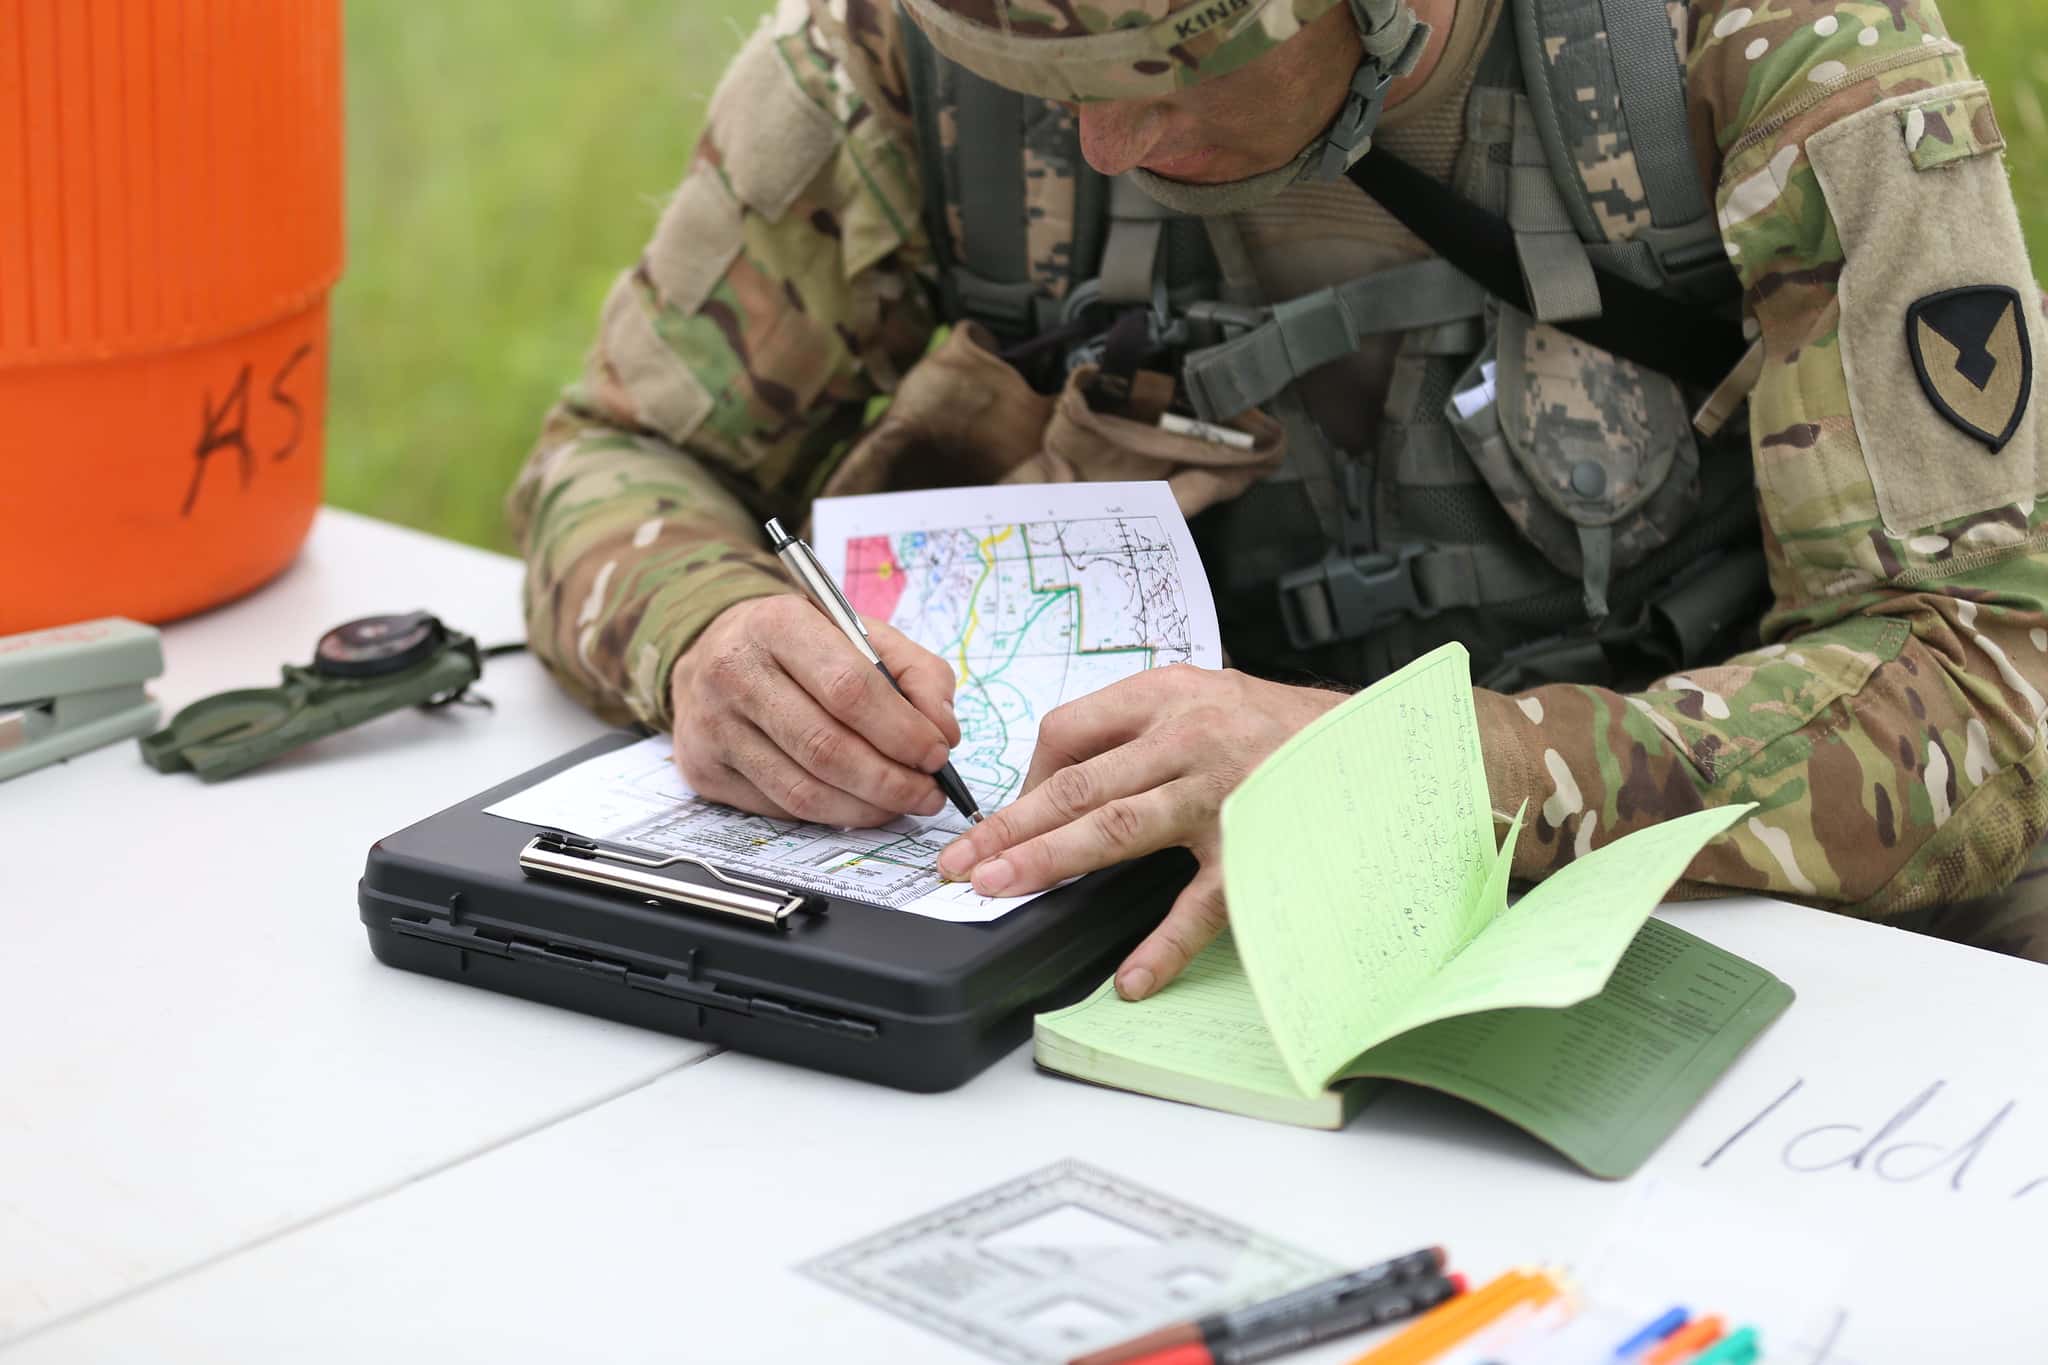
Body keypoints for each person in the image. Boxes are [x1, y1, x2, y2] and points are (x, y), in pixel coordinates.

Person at [510, 0, 2048, 1000]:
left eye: (1157, 79)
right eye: (1046, 94)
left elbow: (1987, 681)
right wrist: (707, 633)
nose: (1102, 145)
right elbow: (614, 458)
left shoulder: (1765, 49)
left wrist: (1426, 771)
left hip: (1707, 934)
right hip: (1159, 953)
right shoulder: (905, 48)